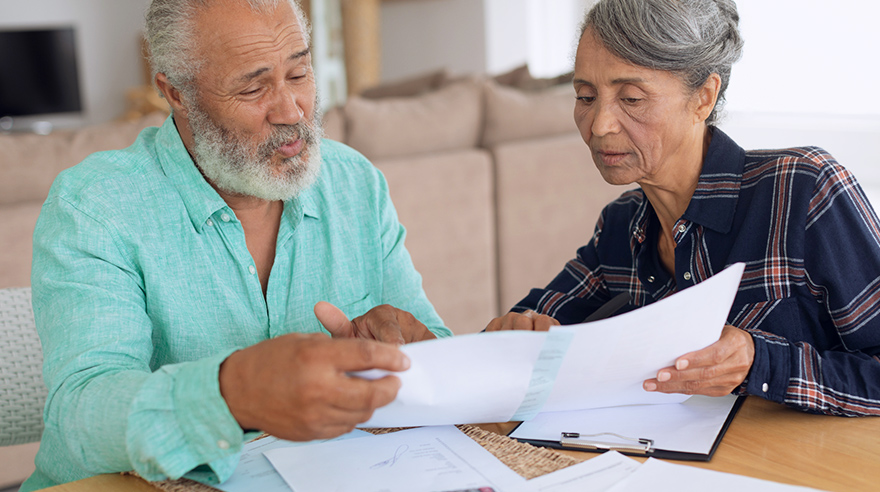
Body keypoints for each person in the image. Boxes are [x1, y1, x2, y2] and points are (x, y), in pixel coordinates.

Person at [22, 0, 451, 490]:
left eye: (299, 73)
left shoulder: (355, 182)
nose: (292, 111)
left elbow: (435, 349)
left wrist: (404, 357)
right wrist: (233, 393)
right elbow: (80, 415)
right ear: (175, 92)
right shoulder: (95, 206)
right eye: (253, 86)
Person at [486, 0, 880, 417]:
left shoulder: (802, 189)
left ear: (703, 98)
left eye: (632, 99)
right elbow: (529, 328)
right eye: (586, 96)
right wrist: (512, 335)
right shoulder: (621, 226)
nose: (599, 125)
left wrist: (758, 361)